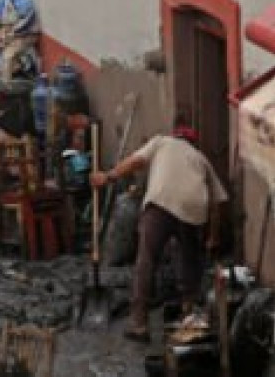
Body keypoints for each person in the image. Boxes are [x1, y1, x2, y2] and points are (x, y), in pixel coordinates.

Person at [91, 121, 229, 342]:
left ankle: (139, 323)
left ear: (174, 136)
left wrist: (108, 177)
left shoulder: (161, 142)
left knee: (147, 259)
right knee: (189, 259)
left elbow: (136, 161)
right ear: (192, 142)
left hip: (161, 203)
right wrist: (213, 236)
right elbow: (218, 203)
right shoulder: (201, 158)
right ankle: (189, 310)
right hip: (194, 208)